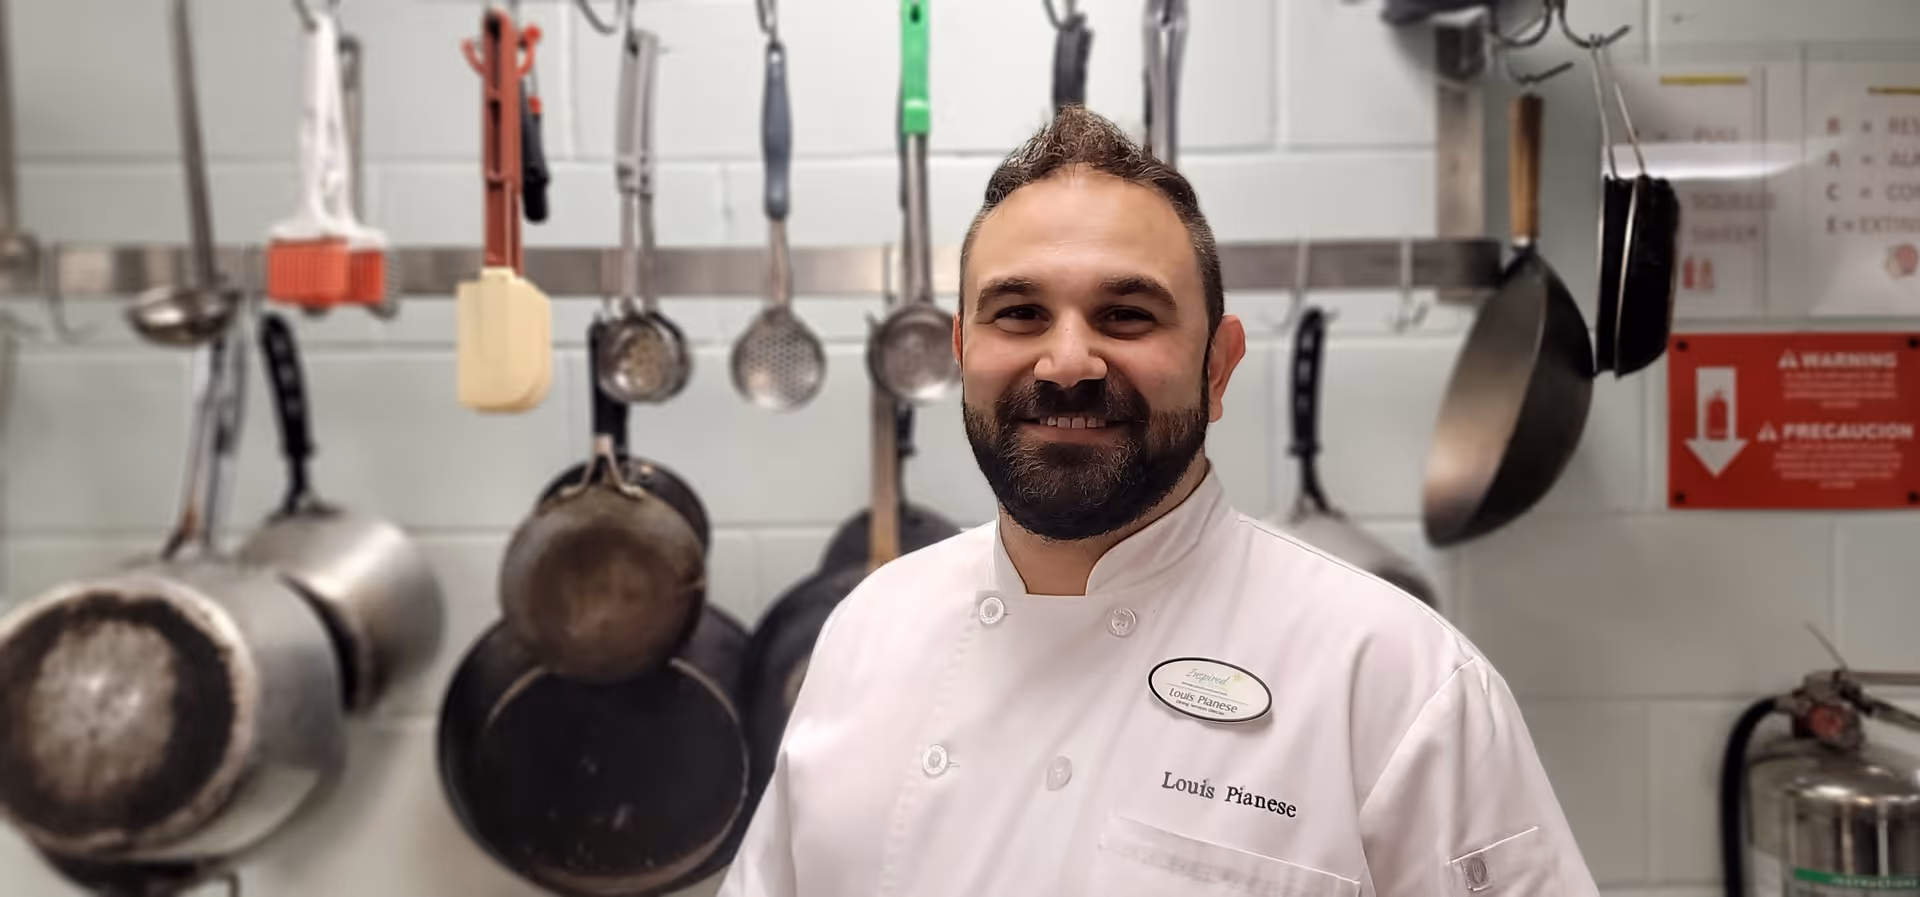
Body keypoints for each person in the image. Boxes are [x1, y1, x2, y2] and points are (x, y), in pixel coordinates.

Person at [717, 106, 1599, 897]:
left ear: (1218, 366)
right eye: (1018, 313)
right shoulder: (869, 631)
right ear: (961, 351)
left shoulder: (1398, 682)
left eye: (1127, 315)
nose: (1067, 362)